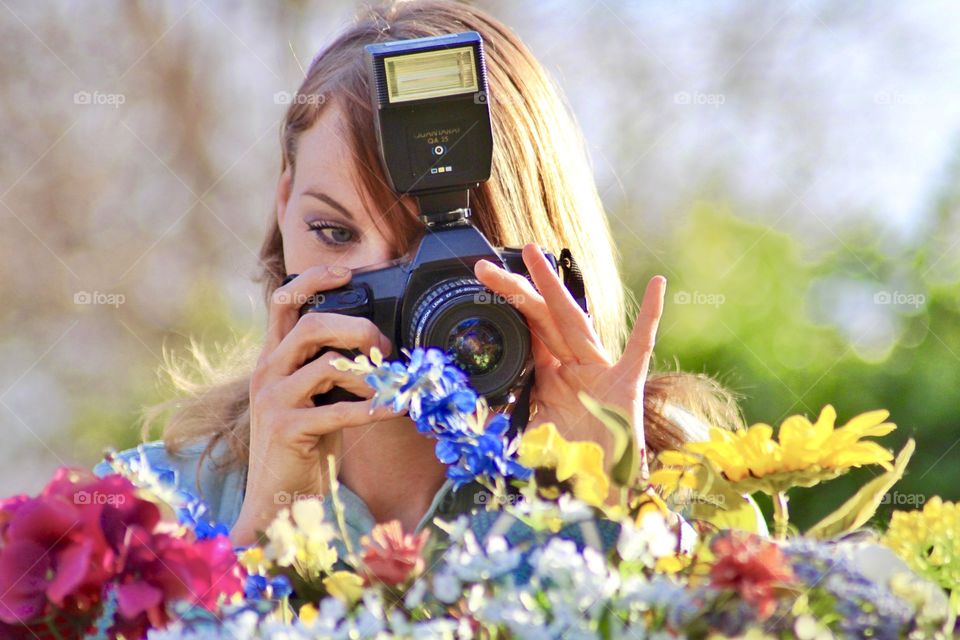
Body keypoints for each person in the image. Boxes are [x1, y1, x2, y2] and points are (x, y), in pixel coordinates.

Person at [94, 0, 743, 551]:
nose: (386, 288)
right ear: (283, 202)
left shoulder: (690, 500)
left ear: (542, 256)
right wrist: (264, 529)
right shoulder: (144, 515)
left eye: (443, 254)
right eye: (335, 232)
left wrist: (606, 508)